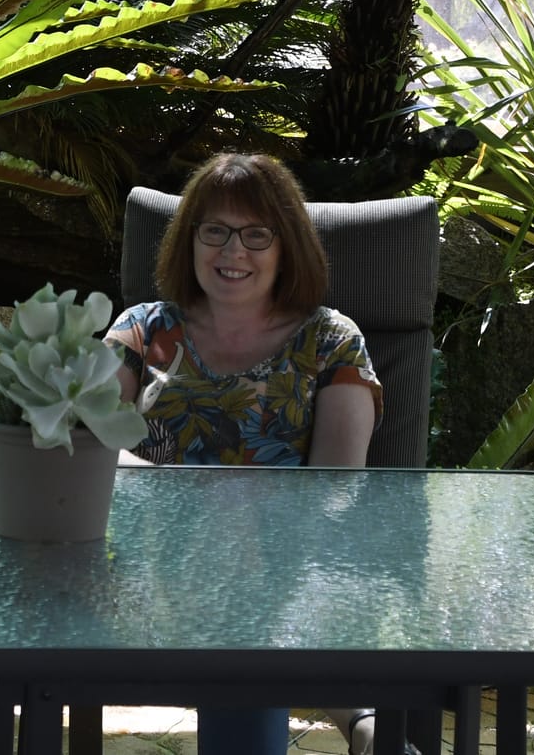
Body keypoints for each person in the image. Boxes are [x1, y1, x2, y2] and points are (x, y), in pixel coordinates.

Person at [105, 152, 383, 755]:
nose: (233, 251)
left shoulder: (332, 341)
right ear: (190, 241)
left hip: (283, 563)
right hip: (149, 559)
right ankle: (359, 716)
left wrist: (245, 515)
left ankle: (359, 717)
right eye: (216, 232)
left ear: (288, 247)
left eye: (257, 234)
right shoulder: (142, 330)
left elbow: (335, 488)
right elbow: (82, 446)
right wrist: (197, 500)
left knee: (245, 582)